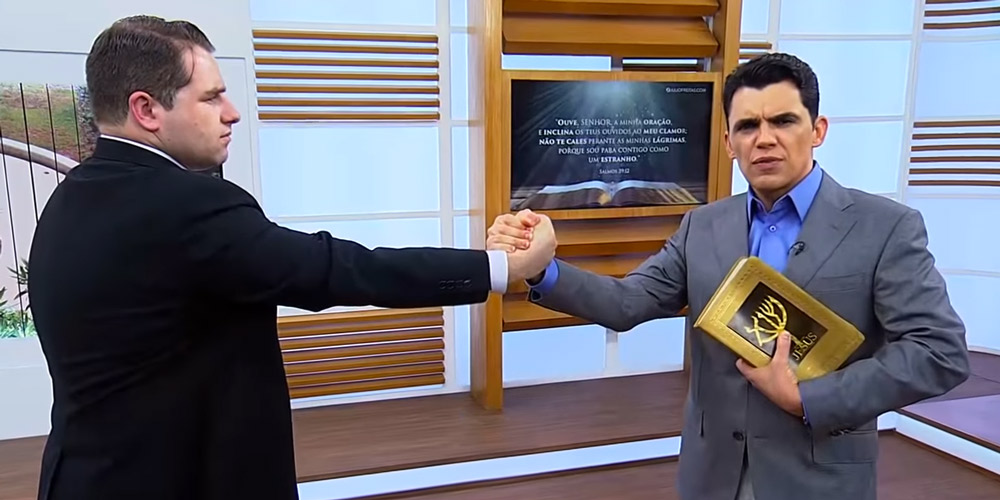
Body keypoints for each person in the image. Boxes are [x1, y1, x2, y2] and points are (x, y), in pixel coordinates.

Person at [28, 15, 555, 500]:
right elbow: (337, 270)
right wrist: (502, 268)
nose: (232, 112)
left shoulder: (70, 198)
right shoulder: (186, 204)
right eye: (211, 98)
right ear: (146, 110)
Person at [488, 52, 970, 500]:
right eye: (747, 126)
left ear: (817, 129)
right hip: (711, 476)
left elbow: (938, 352)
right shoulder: (702, 225)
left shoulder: (885, 227)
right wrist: (542, 269)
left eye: (783, 121)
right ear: (728, 143)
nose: (764, 138)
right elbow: (627, 302)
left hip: (819, 478)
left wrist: (807, 398)